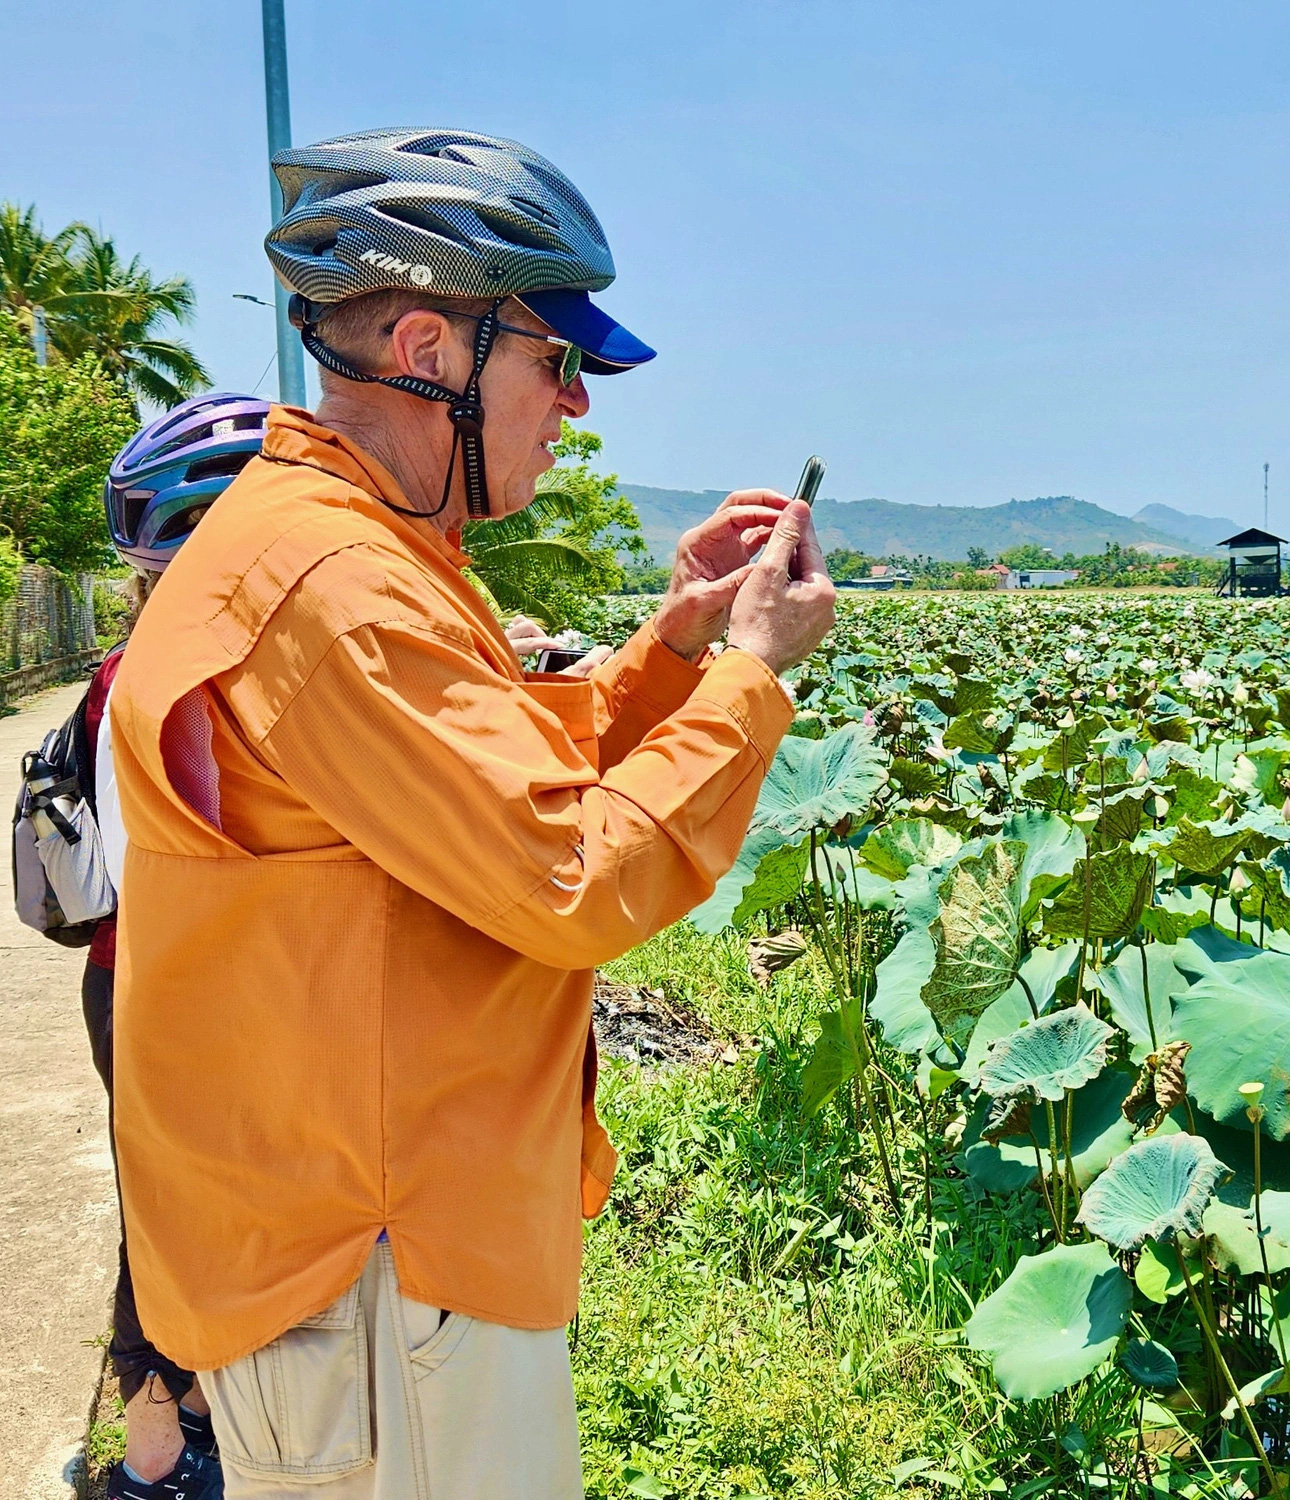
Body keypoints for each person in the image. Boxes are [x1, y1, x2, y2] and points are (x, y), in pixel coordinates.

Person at [107, 127, 836, 1498]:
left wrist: (671, 648)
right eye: (554, 360)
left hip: (367, 1254)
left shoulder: (340, 546)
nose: (575, 406)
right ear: (433, 351)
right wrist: (750, 674)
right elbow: (570, 869)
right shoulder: (336, 585)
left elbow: (482, 793)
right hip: (377, 1280)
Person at [84, 393, 275, 1499]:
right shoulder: (153, 680)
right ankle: (151, 1463)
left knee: (211, 1212)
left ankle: (190, 1424)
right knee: (162, 1219)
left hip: (184, 986)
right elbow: (143, 873)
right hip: (157, 988)